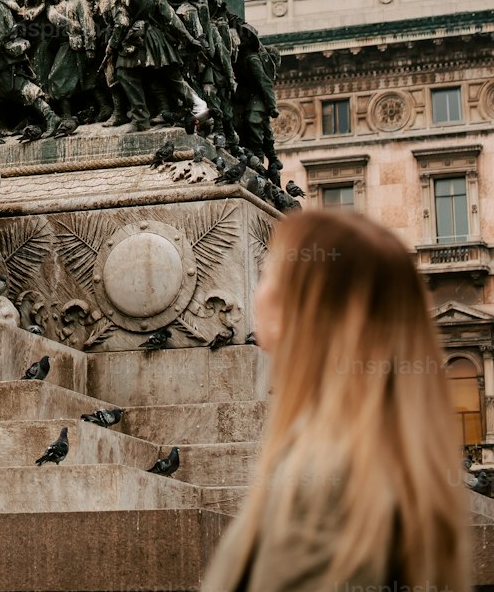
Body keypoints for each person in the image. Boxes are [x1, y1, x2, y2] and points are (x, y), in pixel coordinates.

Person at [201, 208, 469, 592]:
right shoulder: (381, 460)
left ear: (305, 307)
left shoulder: (326, 482)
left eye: (267, 272)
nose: (255, 290)